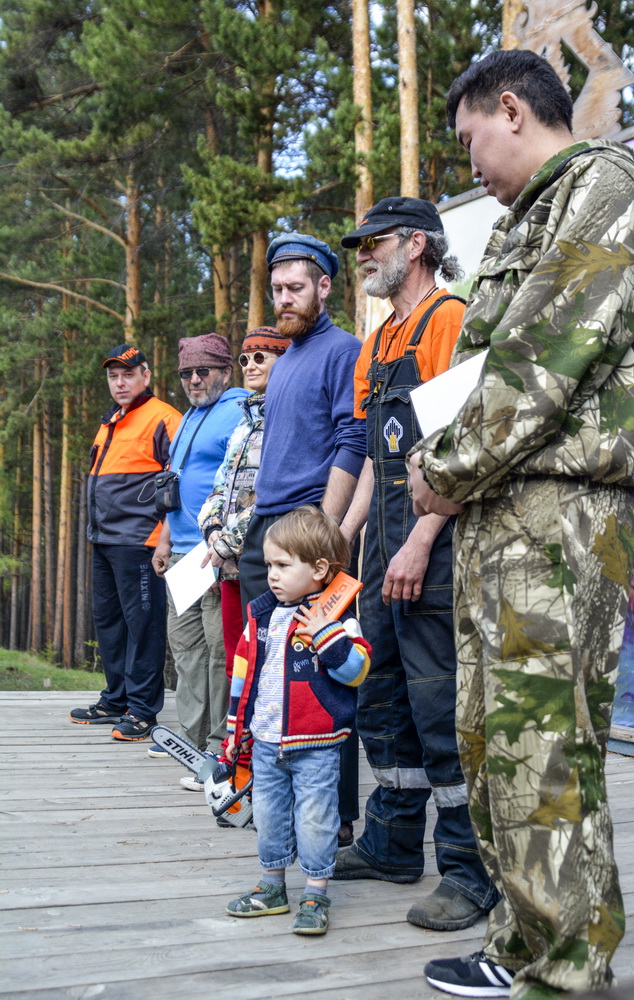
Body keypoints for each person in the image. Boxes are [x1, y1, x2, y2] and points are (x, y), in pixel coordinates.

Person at [407, 50, 634, 999]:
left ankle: (561, 973)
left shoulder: (603, 190)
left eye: (471, 138)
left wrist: (438, 473)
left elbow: (538, 362)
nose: (469, 162)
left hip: (555, 513)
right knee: (497, 741)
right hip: (503, 509)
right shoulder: (536, 212)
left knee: (541, 743)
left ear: (510, 109)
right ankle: (530, 945)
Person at [332, 197, 497, 932]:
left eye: (372, 242)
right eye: (357, 244)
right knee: (382, 699)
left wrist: (421, 537)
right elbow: (378, 454)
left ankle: (467, 873)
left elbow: (463, 445)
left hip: (435, 544)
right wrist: (344, 535)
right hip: (383, 550)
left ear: (417, 244)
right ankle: (392, 843)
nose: (361, 254)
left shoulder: (450, 318)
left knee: (440, 708)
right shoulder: (379, 337)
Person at [238, 232, 367, 846]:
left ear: (324, 287)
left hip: (309, 533)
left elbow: (353, 439)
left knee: (321, 674)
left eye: (295, 288)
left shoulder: (344, 351)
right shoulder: (285, 360)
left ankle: (336, 820)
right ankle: (274, 795)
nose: (284, 300)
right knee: (268, 669)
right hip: (266, 530)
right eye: (277, 290)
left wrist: (330, 537)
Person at [225, 505, 371, 935]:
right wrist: (236, 728)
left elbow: (357, 670)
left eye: (283, 565)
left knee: (316, 818)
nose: (272, 574)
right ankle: (272, 887)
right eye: (269, 564)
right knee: (268, 816)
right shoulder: (262, 616)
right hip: (267, 740)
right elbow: (242, 674)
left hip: (318, 743)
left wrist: (325, 634)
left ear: (320, 568)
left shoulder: (338, 619)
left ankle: (315, 893)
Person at [70, 344, 182, 739]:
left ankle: (142, 711)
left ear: (145, 376)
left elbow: (178, 481)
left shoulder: (164, 418)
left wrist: (165, 539)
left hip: (141, 542)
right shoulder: (111, 421)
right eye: (114, 376)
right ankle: (114, 699)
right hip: (103, 540)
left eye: (128, 374)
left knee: (143, 627)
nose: (120, 382)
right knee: (110, 624)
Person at [151, 333, 249, 769]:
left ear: (225, 372)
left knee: (216, 650)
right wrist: (164, 539)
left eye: (202, 371)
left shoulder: (239, 408)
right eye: (187, 373)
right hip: (180, 553)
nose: (193, 379)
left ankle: (215, 740)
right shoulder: (190, 415)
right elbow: (177, 481)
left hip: (213, 553)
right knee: (185, 646)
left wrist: (225, 546)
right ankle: (189, 736)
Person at [198, 327, 290, 679]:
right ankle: (240, 731)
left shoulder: (283, 418)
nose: (250, 366)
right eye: (245, 359)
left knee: (264, 652)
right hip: (226, 562)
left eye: (260, 358)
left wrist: (227, 541)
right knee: (236, 655)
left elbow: (272, 490)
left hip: (261, 558)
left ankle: (261, 730)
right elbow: (219, 485)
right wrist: (212, 529)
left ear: (283, 362)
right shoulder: (243, 422)